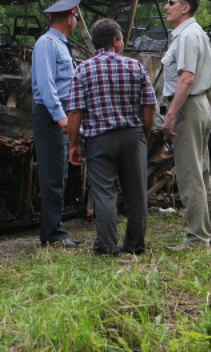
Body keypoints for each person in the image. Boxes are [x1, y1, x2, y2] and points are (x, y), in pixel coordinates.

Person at [67, 19, 157, 256]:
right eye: (122, 39)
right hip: (132, 136)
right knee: (136, 194)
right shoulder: (136, 67)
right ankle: (135, 245)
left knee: (105, 194)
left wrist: (73, 144)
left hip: (99, 140)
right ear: (115, 41)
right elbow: (149, 106)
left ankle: (107, 246)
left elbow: (75, 111)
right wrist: (143, 134)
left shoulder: (82, 70)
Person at [161, 0, 211, 251]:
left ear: (185, 7)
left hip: (189, 106)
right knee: (202, 172)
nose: (166, 6)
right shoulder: (197, 33)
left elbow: (186, 78)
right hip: (200, 105)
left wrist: (170, 115)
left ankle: (196, 239)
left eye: (171, 2)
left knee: (190, 174)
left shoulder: (186, 36)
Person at [32, 0, 81, 248]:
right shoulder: (47, 43)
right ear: (69, 18)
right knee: (53, 176)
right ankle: (52, 235)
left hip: (60, 112)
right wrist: (62, 118)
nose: (76, 23)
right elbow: (46, 84)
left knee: (59, 173)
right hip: (50, 114)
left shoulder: (59, 44)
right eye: (75, 18)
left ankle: (56, 230)